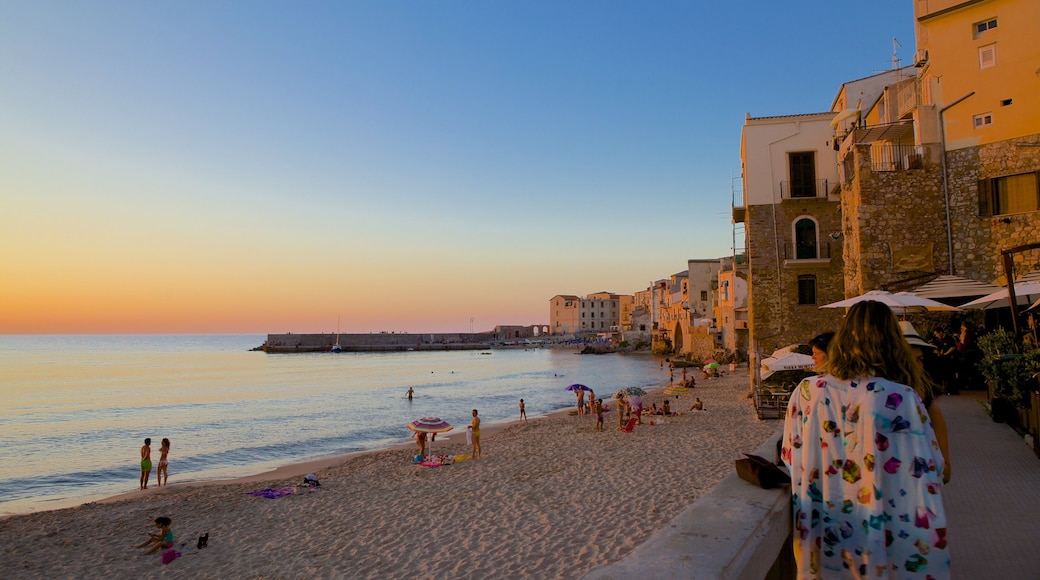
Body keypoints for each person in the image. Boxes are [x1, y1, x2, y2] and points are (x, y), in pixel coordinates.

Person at [781, 301, 949, 578]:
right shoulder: (903, 398)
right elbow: (934, 468)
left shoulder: (807, 393)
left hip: (827, 538)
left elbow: (790, 456)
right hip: (885, 541)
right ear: (893, 343)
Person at [902, 321, 953, 484]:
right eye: (908, 360)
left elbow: (946, 473)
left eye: (920, 360)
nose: (915, 367)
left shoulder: (928, 406)